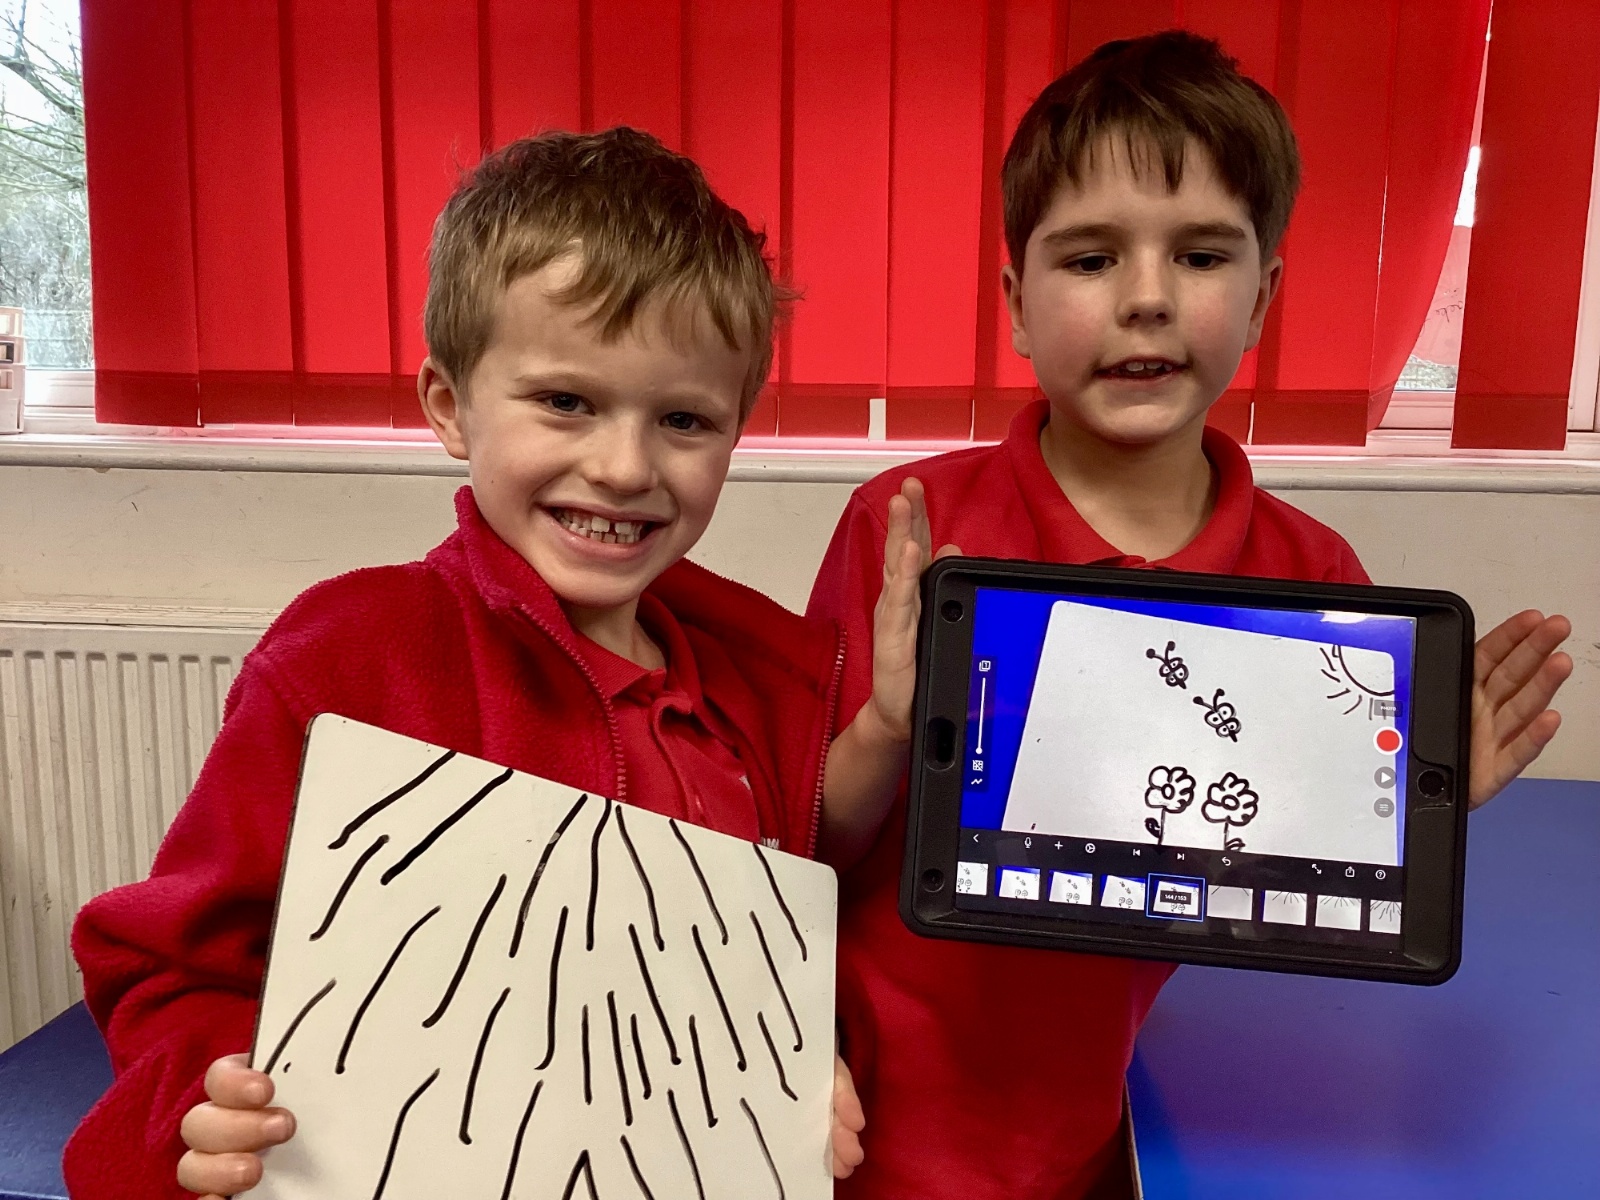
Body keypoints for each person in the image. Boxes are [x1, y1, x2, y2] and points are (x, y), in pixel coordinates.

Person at [65, 128, 923, 1199]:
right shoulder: (348, 663)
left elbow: (790, 881)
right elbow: (172, 964)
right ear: (447, 406)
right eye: (566, 402)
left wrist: (784, 1074)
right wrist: (204, 1093)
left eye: (683, 420)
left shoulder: (750, 682)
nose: (624, 467)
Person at [807, 31, 1574, 1199]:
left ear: (1261, 297)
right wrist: (881, 734)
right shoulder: (908, 527)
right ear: (1016, 305)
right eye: (1090, 258)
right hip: (854, 1125)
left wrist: (1408, 815)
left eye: (1201, 254)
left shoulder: (1312, 581)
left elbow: (1282, 865)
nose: (1148, 298)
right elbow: (800, 836)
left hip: (1089, 1131)